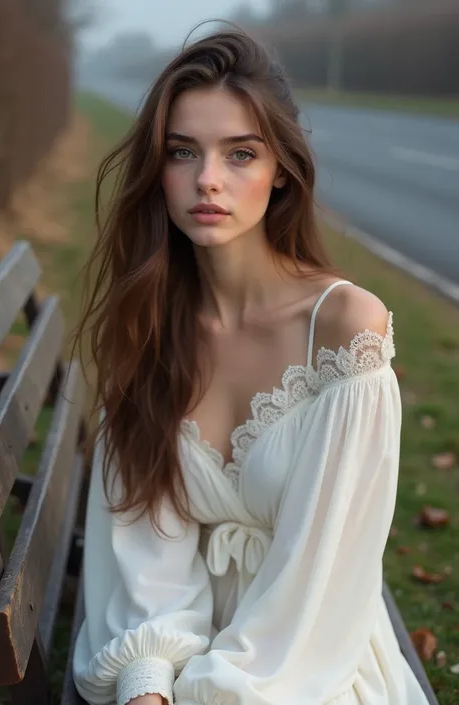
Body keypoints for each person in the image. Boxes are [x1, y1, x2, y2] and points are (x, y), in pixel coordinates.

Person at [72, 25, 429, 705]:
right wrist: (149, 686)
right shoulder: (146, 330)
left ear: (282, 170)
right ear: (158, 168)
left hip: (311, 661)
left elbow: (316, 590)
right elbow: (150, 566)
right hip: (189, 654)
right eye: (183, 151)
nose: (208, 180)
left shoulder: (344, 330)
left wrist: (209, 690)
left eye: (239, 153)